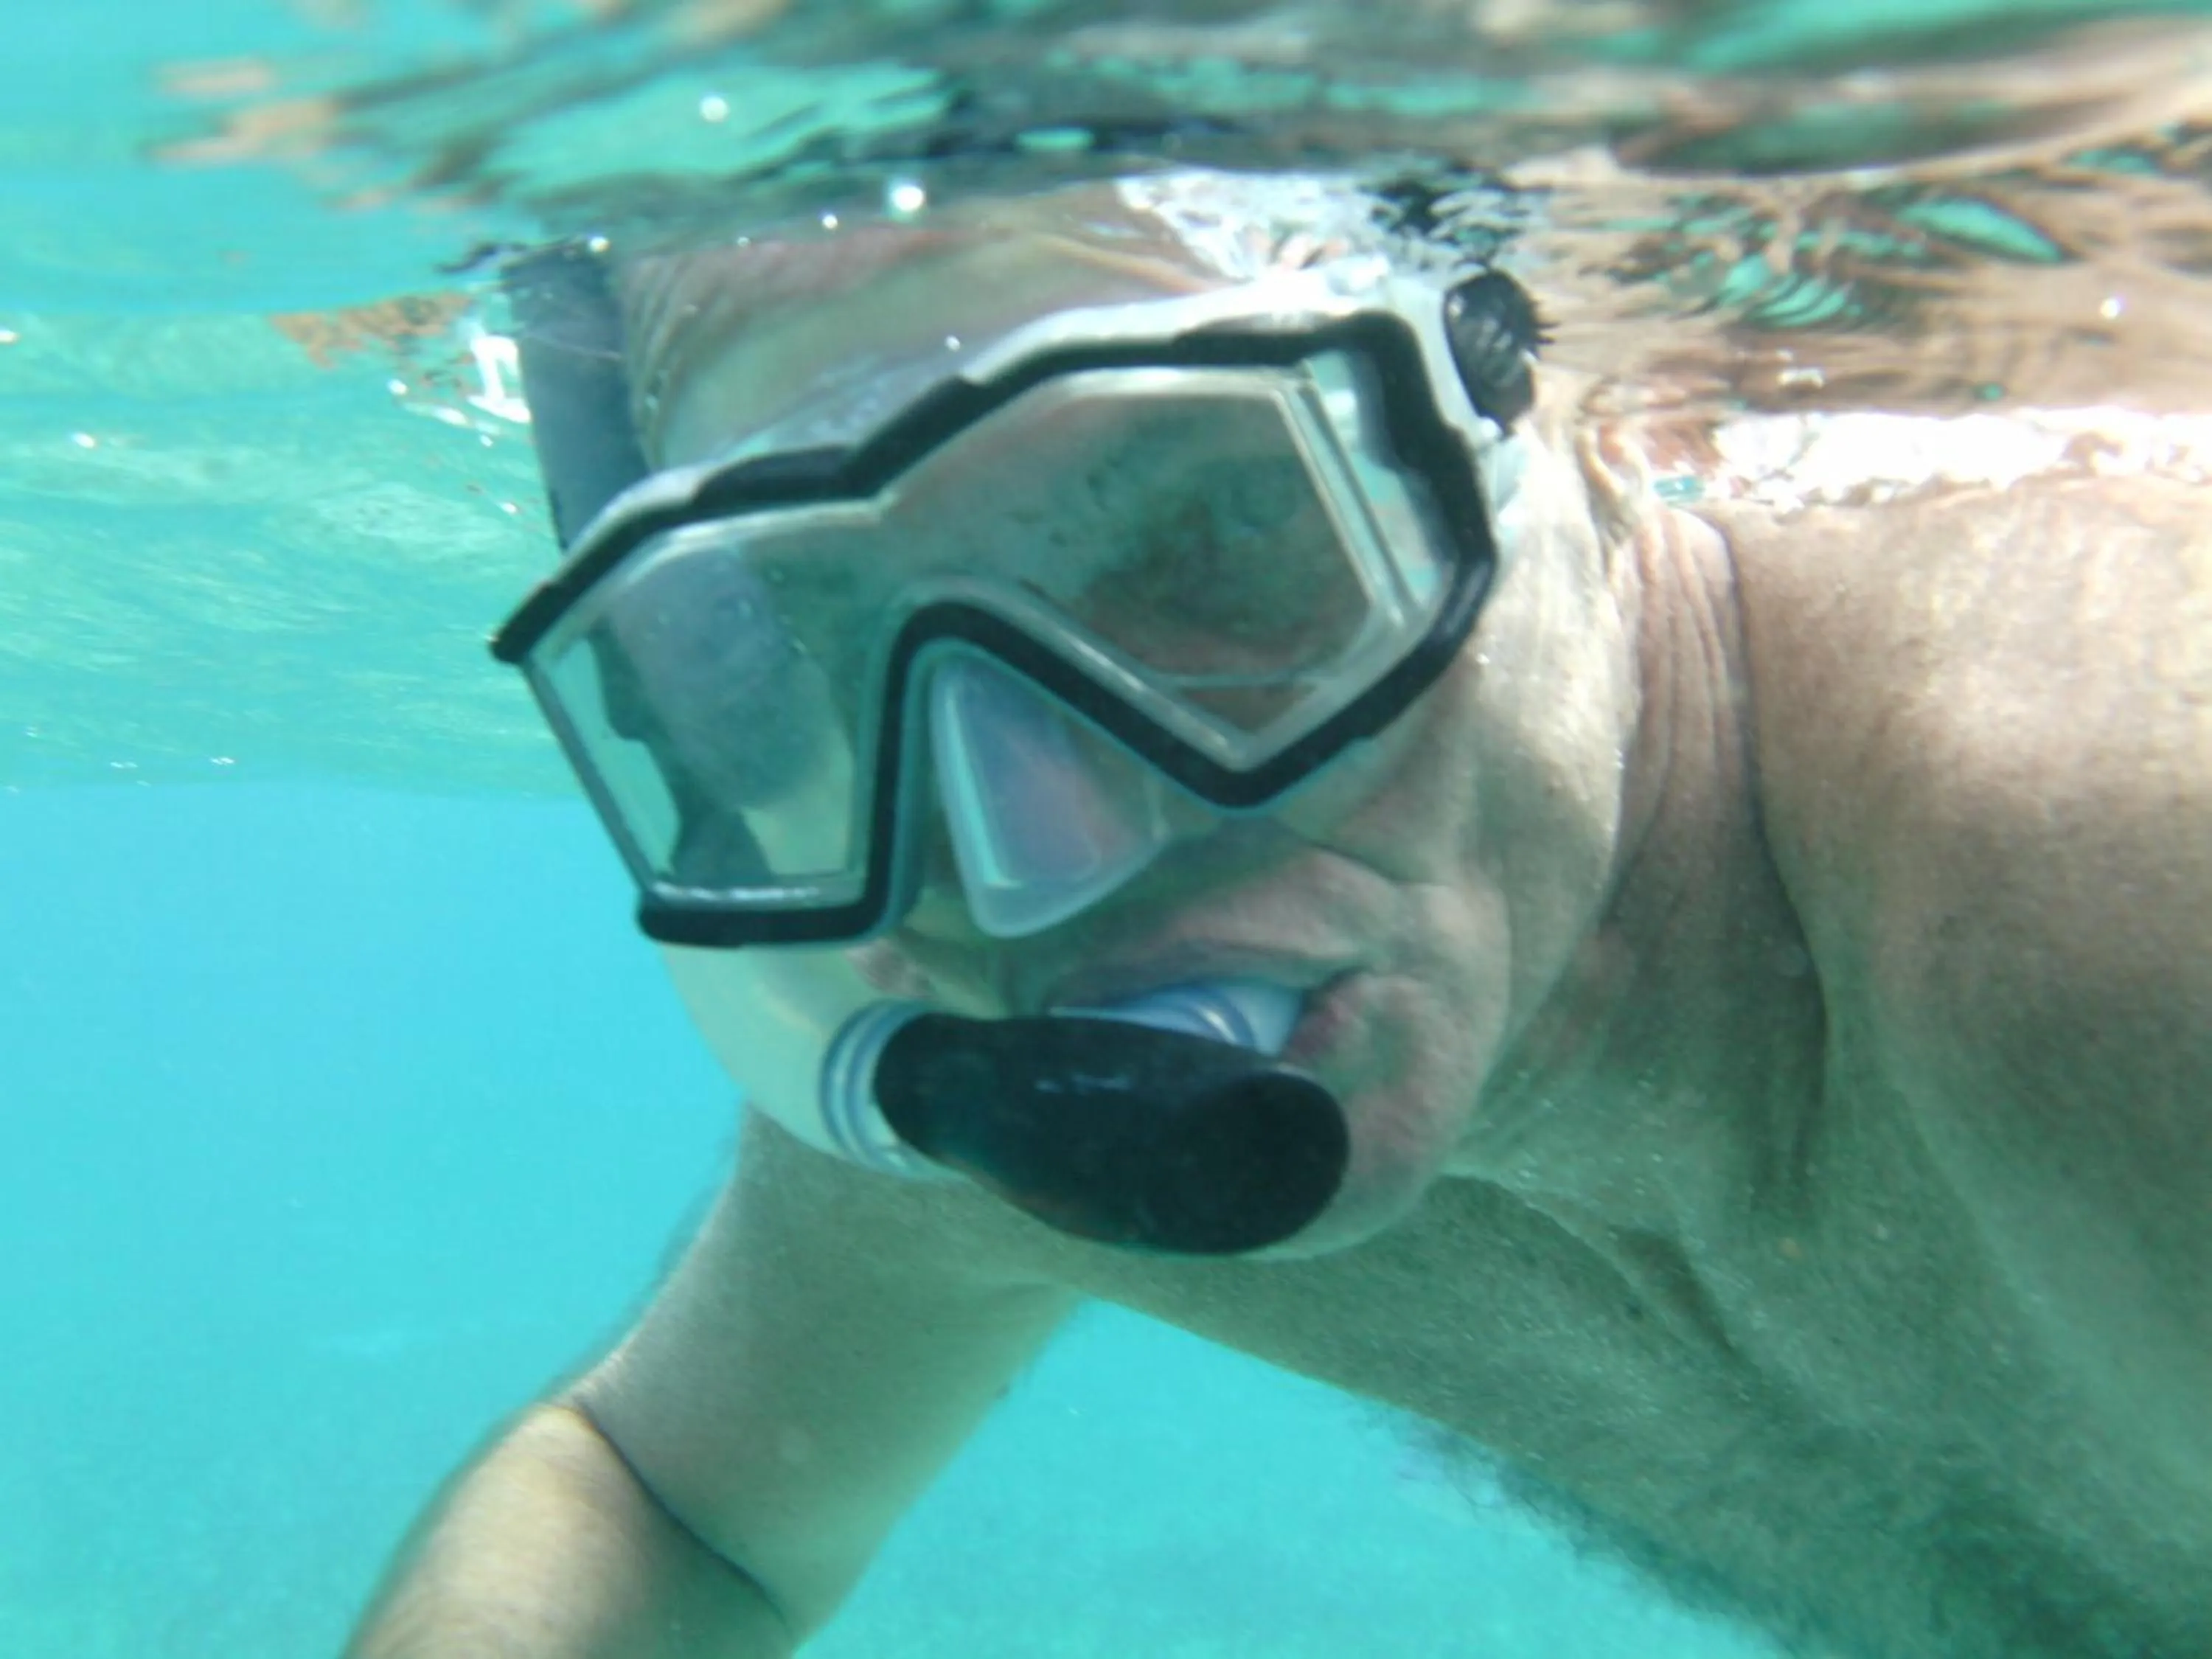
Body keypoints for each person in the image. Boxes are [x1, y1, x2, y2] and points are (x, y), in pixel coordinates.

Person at [347, 171, 2212, 1659]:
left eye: (1220, 532)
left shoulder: (2120, 894)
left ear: (1543, 435)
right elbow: (663, 1504)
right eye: (819, 652)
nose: (1043, 854)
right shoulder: (986, 1058)